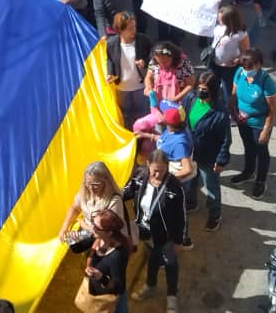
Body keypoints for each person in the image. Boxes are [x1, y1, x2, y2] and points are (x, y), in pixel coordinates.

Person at [125, 150, 191, 312]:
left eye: (162, 170)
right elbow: (124, 192)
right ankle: (150, 285)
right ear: (148, 165)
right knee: (152, 259)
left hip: (165, 236)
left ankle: (172, 295)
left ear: (167, 167)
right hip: (145, 232)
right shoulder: (140, 177)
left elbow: (181, 216)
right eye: (154, 169)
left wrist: (178, 240)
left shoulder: (174, 186)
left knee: (170, 264)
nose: (157, 174)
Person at [181, 71, 232, 232]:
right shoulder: (191, 98)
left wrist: (221, 160)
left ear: (213, 90)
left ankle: (214, 214)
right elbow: (183, 118)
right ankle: (191, 202)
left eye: (205, 89)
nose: (201, 91)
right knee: (191, 179)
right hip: (191, 150)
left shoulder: (220, 113)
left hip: (209, 156)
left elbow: (226, 139)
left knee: (211, 186)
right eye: (200, 88)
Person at [229, 49, 276, 199]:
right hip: (243, 121)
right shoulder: (239, 73)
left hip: (259, 123)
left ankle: (261, 180)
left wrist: (265, 130)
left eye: (250, 68)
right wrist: (234, 114)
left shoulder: (266, 82)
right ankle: (248, 172)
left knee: (261, 152)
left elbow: (272, 109)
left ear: (259, 65)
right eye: (244, 67)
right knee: (248, 147)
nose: (246, 71)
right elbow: (233, 95)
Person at [76, 209, 131, 313]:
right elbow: (74, 245)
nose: (92, 228)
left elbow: (117, 287)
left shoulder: (117, 255)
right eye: (93, 223)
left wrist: (101, 277)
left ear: (109, 233)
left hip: (110, 303)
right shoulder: (97, 237)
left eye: (96, 227)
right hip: (96, 297)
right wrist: (72, 233)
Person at [105, 12, 150, 127]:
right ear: (120, 30)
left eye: (134, 27)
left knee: (143, 115)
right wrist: (110, 73)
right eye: (130, 28)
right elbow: (109, 59)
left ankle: (143, 140)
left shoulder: (143, 40)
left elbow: (151, 56)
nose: (133, 30)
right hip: (122, 88)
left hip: (140, 87)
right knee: (126, 115)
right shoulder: (111, 43)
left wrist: (144, 62)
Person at [208, 4, 250, 101]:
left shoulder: (240, 33)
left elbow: (246, 51)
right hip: (214, 64)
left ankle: (229, 110)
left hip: (229, 68)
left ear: (229, 20)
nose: (218, 21)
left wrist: (235, 61)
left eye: (221, 19)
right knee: (211, 86)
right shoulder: (218, 27)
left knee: (228, 91)